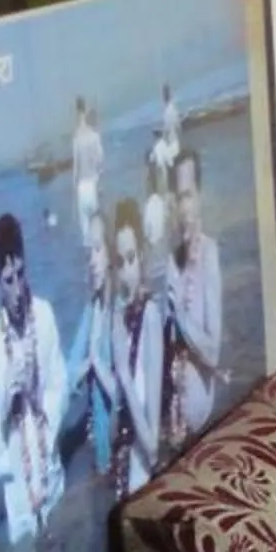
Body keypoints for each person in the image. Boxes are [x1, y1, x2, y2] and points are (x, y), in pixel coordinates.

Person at [0, 212, 66, 546]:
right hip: (20, 513)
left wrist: (37, 401)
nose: (17, 289)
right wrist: (4, 412)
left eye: (21, 275)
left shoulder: (45, 317)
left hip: (55, 488)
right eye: (8, 280)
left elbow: (60, 390)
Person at [158, 147, 222, 459]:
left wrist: (181, 317)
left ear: (200, 197)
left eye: (188, 195)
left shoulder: (209, 254)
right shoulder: (171, 262)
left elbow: (213, 351)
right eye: (177, 198)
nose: (183, 208)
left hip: (204, 436)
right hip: (176, 432)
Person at [56, 206, 121, 482]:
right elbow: (67, 377)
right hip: (102, 460)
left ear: (110, 254)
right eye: (88, 254)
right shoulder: (90, 311)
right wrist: (85, 368)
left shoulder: (118, 312)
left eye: (97, 250)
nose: (91, 261)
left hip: (121, 457)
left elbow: (127, 394)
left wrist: (97, 363)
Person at [108, 197, 160, 494]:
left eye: (131, 259)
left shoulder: (150, 316)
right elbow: (119, 406)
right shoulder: (122, 318)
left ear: (141, 256)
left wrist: (124, 376)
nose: (126, 272)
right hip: (124, 472)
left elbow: (153, 448)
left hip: (143, 480)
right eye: (119, 262)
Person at [68, 98, 103, 231]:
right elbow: (100, 159)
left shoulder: (76, 137)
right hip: (93, 181)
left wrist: (74, 185)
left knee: (85, 228)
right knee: (96, 224)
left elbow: (76, 166)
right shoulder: (94, 136)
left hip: (82, 185)